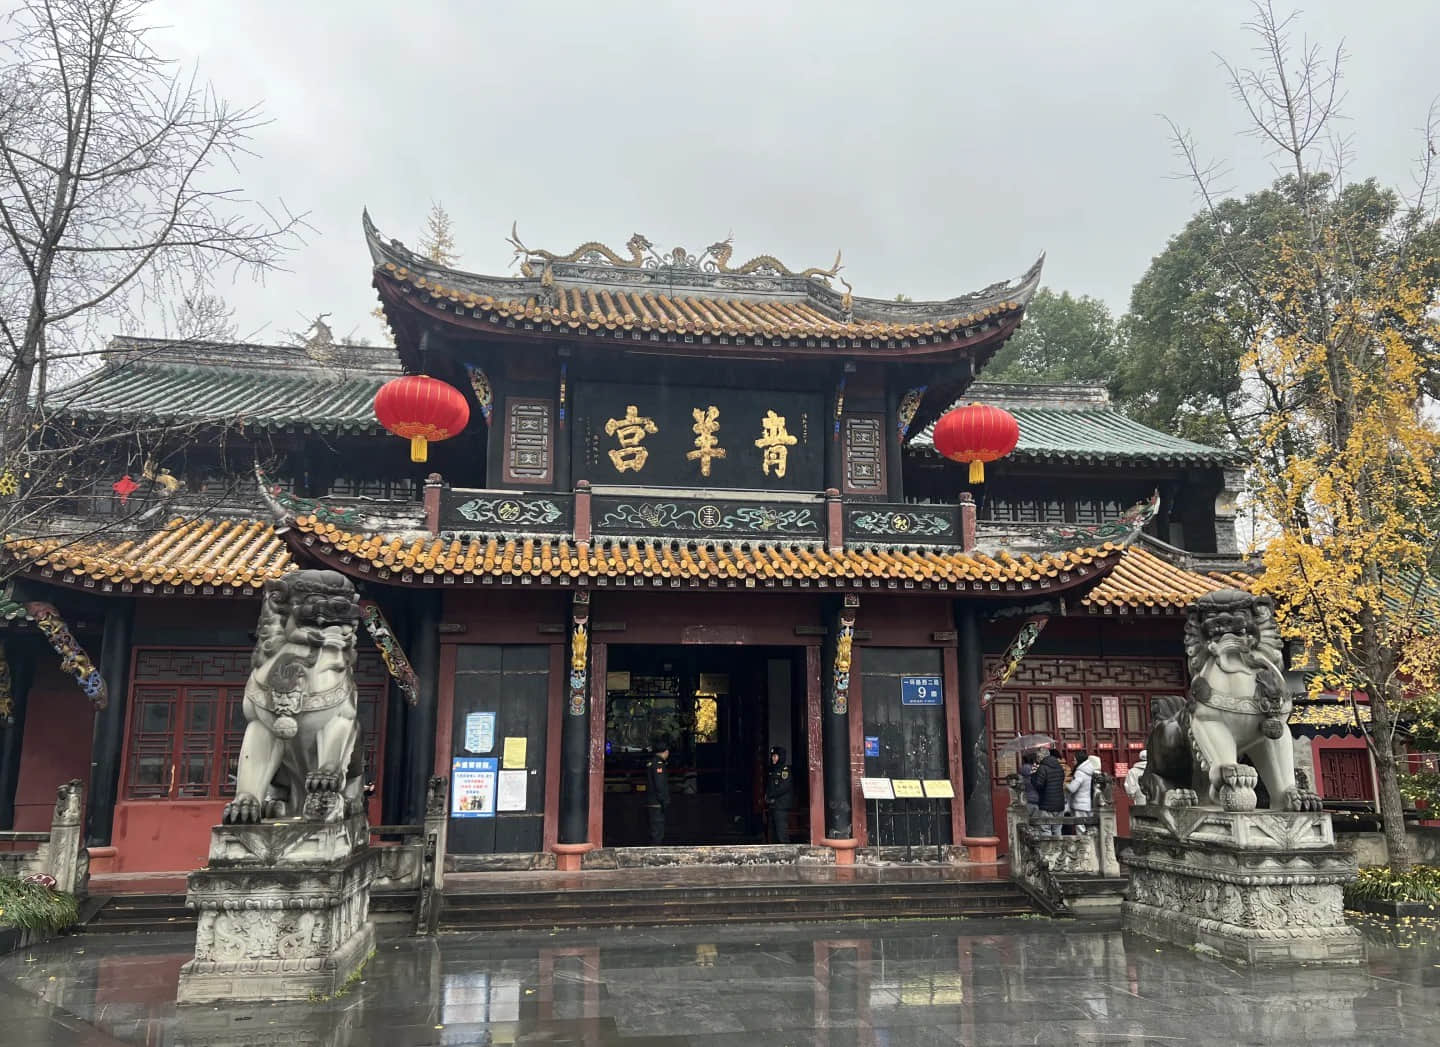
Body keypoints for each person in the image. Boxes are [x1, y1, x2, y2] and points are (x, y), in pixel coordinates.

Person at [1032, 747, 1066, 835]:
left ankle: (1048, 849)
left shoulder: (1042, 768)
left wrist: (1033, 775)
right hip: (1059, 803)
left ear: (1040, 757)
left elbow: (1039, 785)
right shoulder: (1059, 767)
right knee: (1057, 829)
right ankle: (1058, 848)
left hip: (1046, 804)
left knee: (1045, 829)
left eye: (1037, 757)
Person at [764, 746, 794, 843]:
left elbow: (783, 787)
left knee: (782, 833)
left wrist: (770, 795)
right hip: (773, 806)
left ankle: (787, 855)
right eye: (772, 756)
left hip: (781, 806)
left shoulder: (785, 771)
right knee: (773, 834)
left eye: (775, 756)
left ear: (780, 757)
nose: (773, 758)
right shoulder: (773, 770)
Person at [1067, 750, 1102, 834]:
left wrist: (1065, 785)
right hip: (1088, 804)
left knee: (1080, 829)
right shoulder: (1091, 771)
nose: (1073, 761)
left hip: (1079, 804)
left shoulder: (1080, 772)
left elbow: (1072, 788)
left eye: (1074, 760)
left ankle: (1083, 846)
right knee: (1089, 828)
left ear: (1079, 760)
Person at [645, 744, 671, 845]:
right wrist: (664, 800)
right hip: (657, 803)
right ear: (666, 752)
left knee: (654, 829)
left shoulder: (651, 763)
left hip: (651, 801)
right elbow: (660, 784)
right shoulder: (658, 764)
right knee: (657, 831)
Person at [1019, 751, 1042, 820]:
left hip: (1026, 801)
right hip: (1038, 801)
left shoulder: (1021, 772)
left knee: (1027, 823)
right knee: (1037, 824)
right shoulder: (1037, 771)